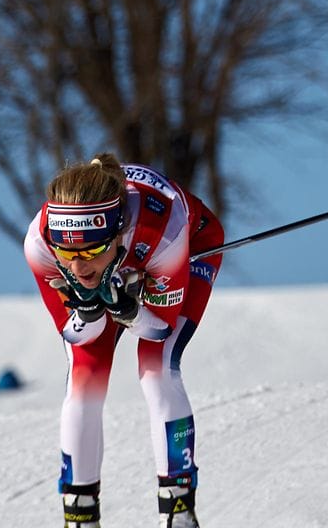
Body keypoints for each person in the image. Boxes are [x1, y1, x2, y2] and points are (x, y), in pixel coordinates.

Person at [24, 153, 223, 528]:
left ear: (117, 233)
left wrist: (130, 311)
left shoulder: (164, 232)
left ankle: (179, 510)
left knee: (157, 367)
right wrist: (88, 311)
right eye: (67, 253)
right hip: (131, 261)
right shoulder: (40, 245)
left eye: (90, 251)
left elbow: (158, 328)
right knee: (86, 376)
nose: (77, 267)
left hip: (190, 245)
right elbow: (81, 336)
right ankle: (79, 516)